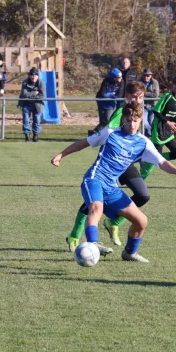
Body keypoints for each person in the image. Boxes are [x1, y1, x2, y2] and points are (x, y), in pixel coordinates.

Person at [51, 101, 176, 263]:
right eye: (129, 120)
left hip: (112, 187)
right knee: (97, 207)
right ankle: (92, 243)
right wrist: (60, 155)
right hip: (95, 179)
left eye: (136, 120)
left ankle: (129, 253)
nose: (132, 124)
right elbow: (83, 143)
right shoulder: (110, 133)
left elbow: (162, 162)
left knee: (141, 221)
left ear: (140, 121)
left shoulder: (143, 143)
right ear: (124, 119)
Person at [66, 82, 150, 250]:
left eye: (140, 97)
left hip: (126, 163)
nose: (137, 100)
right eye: (134, 97)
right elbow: (109, 137)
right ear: (126, 97)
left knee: (143, 195)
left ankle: (113, 221)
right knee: (95, 203)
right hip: (111, 162)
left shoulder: (141, 112)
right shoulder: (121, 113)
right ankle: (75, 235)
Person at [140, 75, 176, 180]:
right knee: (156, 157)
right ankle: (140, 178)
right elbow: (156, 111)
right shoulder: (167, 96)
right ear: (172, 87)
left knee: (175, 154)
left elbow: (174, 115)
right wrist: (167, 122)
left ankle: (149, 160)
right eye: (175, 86)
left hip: (168, 131)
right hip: (158, 130)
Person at [91, 68, 124, 134]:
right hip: (101, 102)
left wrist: (111, 95)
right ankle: (97, 134)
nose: (120, 79)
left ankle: (95, 132)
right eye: (118, 77)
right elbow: (103, 94)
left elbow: (119, 94)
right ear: (113, 78)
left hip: (110, 103)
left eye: (121, 77)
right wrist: (113, 95)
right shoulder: (106, 81)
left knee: (108, 119)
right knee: (102, 120)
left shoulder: (122, 82)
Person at [18, 67, 45, 142]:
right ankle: (27, 136)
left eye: (35, 75)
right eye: (32, 75)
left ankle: (35, 136)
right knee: (26, 120)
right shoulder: (25, 82)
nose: (33, 77)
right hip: (26, 103)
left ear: (38, 76)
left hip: (38, 104)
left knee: (37, 119)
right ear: (29, 76)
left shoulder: (41, 83)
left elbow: (42, 95)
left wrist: (33, 95)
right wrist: (34, 93)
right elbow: (24, 94)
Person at [141, 68, 160, 137]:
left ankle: (149, 138)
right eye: (145, 75)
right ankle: (150, 133)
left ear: (151, 76)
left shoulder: (155, 82)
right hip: (143, 105)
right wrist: (147, 94)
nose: (146, 77)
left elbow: (156, 95)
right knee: (144, 123)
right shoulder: (139, 82)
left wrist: (145, 93)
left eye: (148, 75)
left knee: (151, 122)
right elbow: (139, 93)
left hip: (153, 106)